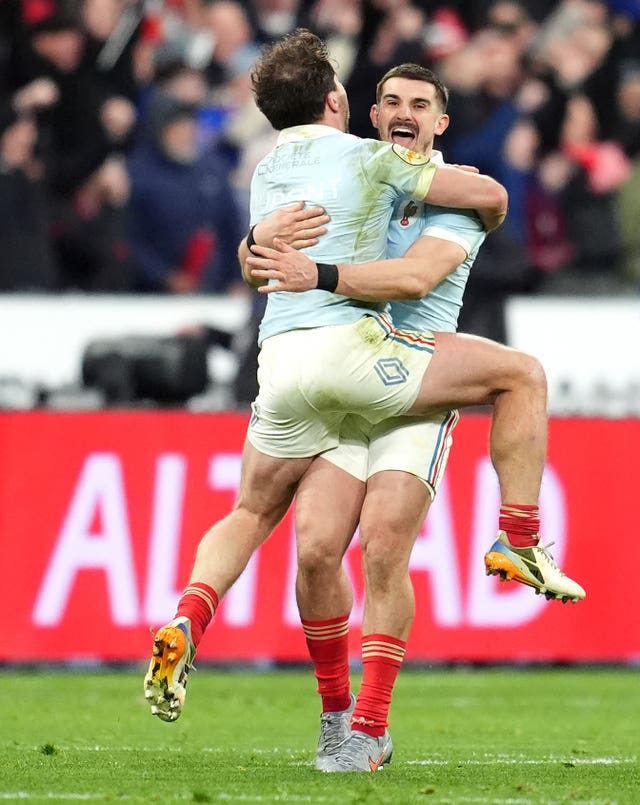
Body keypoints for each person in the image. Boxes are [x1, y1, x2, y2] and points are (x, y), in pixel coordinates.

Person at [141, 28, 575, 758]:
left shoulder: (446, 192)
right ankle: (334, 717)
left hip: (412, 380)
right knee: (315, 550)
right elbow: (260, 256)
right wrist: (255, 245)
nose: (405, 112)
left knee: (381, 548)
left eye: (421, 105)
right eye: (393, 101)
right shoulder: (356, 170)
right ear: (365, 113)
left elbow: (417, 275)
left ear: (441, 122)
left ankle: (371, 724)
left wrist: (301, 265)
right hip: (354, 368)